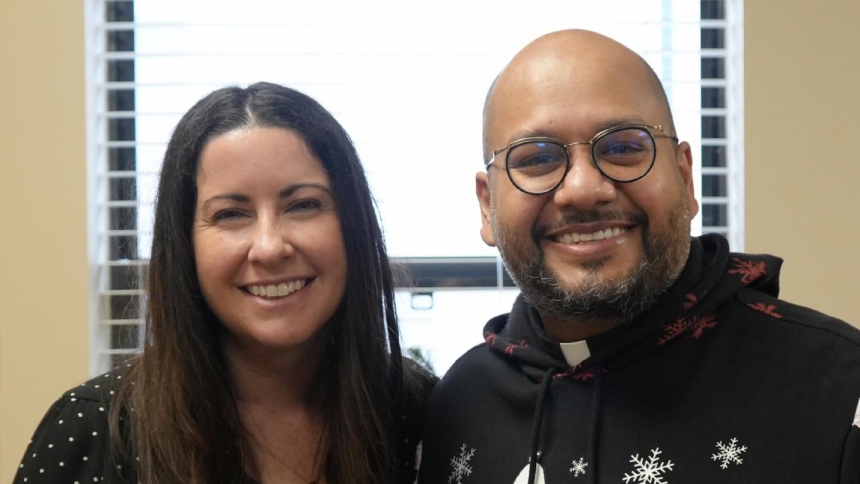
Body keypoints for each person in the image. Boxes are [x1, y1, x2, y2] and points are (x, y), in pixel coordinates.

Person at [417, 30, 860, 484]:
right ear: (488, 205)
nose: (583, 189)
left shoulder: (838, 390)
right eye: (536, 159)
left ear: (687, 179)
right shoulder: (455, 408)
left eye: (623, 148)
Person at [14, 82, 434, 484]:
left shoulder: (421, 414)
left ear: (354, 227)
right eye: (230, 214)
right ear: (185, 244)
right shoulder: (94, 427)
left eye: (304, 205)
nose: (269, 248)